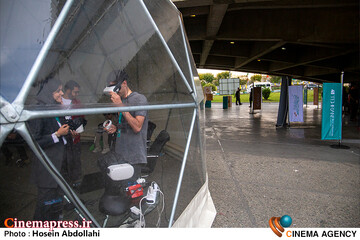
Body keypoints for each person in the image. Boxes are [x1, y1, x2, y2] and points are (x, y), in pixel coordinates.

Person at [28, 77, 69, 221]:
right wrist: (57, 134)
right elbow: (34, 141)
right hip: (47, 170)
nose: (62, 93)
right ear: (49, 92)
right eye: (58, 91)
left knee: (55, 205)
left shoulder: (53, 108)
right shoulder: (38, 110)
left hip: (58, 167)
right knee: (44, 207)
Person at [104, 70, 148, 185]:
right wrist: (116, 127)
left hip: (133, 155)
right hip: (121, 153)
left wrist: (120, 106)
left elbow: (137, 127)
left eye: (116, 87)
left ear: (124, 83)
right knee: (119, 188)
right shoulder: (122, 100)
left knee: (130, 189)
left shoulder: (139, 99)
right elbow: (126, 123)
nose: (115, 92)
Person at [61, 80, 85, 188]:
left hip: (75, 138)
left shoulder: (77, 102)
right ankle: (65, 185)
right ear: (68, 90)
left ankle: (76, 182)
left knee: (76, 161)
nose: (76, 94)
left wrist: (79, 128)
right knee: (64, 162)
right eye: (75, 92)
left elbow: (82, 119)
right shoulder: (57, 102)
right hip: (62, 139)